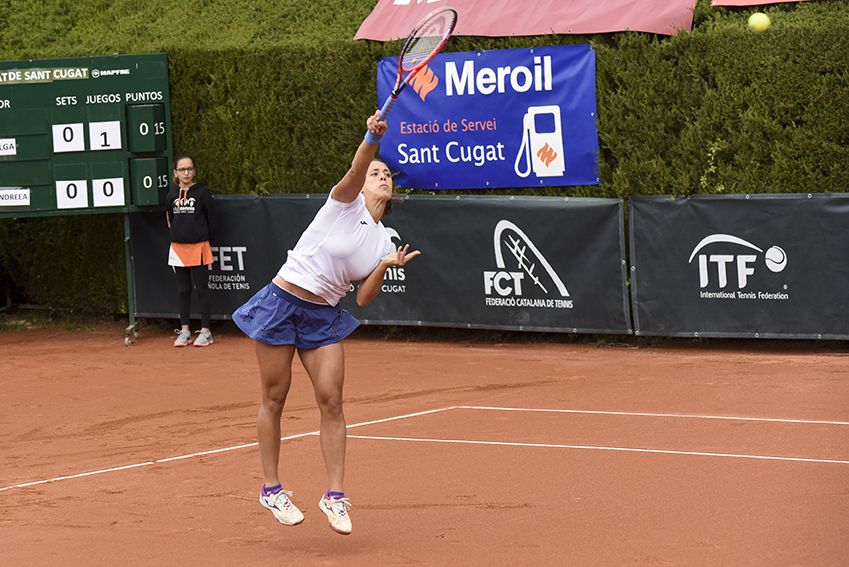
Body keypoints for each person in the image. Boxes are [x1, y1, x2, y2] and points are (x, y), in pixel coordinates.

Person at [232, 110, 420, 535]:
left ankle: (334, 496)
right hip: (283, 301)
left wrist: (386, 265)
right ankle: (271, 488)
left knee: (331, 399)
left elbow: (366, 298)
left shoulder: (384, 239)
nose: (382, 177)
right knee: (275, 397)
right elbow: (356, 167)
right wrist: (371, 138)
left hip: (323, 315)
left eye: (387, 174)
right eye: (377, 173)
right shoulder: (344, 202)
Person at [165, 155, 216, 347]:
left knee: (201, 289)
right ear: (175, 173)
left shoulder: (202, 192)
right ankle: (185, 331)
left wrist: (205, 239)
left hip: (199, 247)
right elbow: (170, 218)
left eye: (189, 169)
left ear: (194, 171)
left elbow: (212, 219)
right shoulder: (171, 195)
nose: (186, 173)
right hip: (178, 248)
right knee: (183, 290)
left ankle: (206, 331)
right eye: (182, 170)